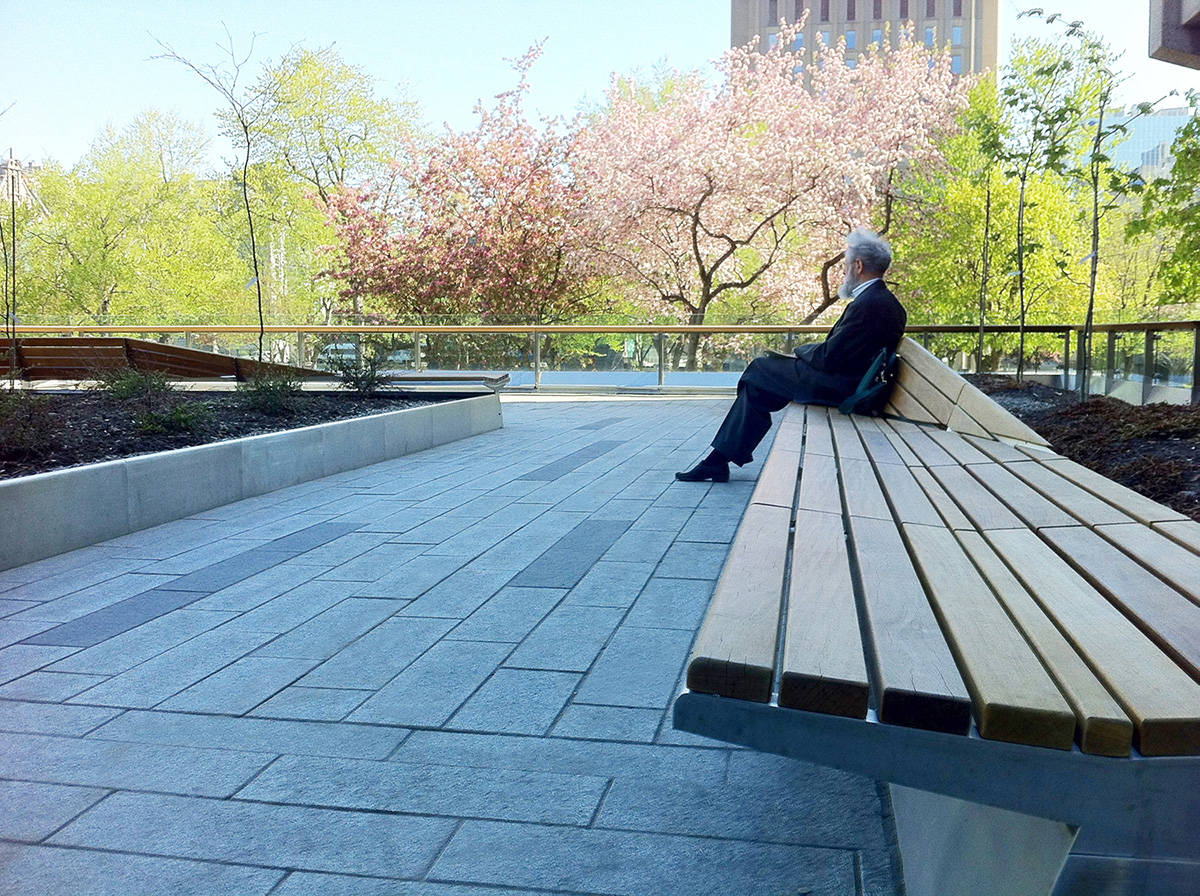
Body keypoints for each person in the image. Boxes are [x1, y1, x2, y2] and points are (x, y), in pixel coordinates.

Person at [676, 228, 906, 483]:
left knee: (760, 369)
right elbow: (841, 351)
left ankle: (717, 461)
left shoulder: (869, 305)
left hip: (843, 388)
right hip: (852, 380)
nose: (843, 271)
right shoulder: (882, 301)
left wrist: (800, 351)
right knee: (758, 385)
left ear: (859, 266)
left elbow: (829, 357)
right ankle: (717, 461)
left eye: (845, 265)